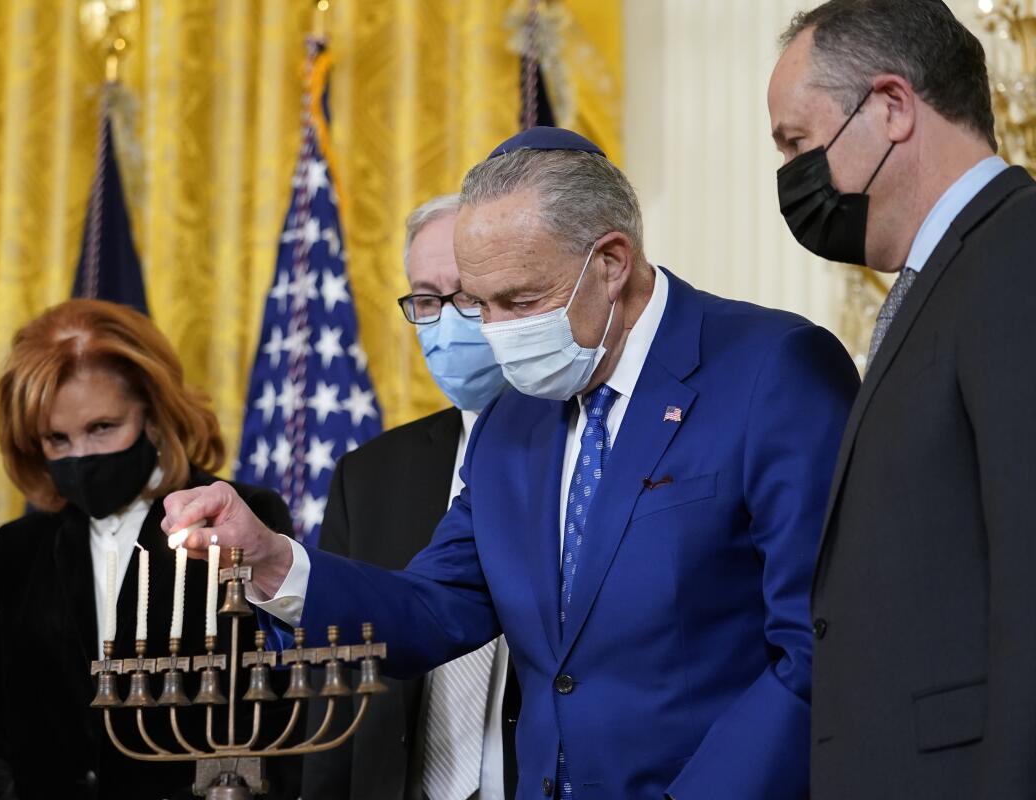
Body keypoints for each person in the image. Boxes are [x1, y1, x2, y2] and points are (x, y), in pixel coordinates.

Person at [163, 127, 860, 800]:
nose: (494, 333)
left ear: (611, 262)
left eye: (519, 301)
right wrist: (273, 561)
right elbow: (436, 609)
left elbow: (818, 649)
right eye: (476, 303)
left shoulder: (772, 369)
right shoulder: (513, 418)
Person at [768, 2, 1036, 797]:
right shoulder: (950, 273)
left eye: (796, 142)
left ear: (890, 108)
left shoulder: (1015, 255)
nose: (789, 175)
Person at [0, 299, 301, 800]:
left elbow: (281, 711)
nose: (81, 456)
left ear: (153, 416)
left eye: (101, 428)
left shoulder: (237, 520)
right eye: (57, 439)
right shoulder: (18, 550)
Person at [300, 194, 519, 800]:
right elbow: (334, 684)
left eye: (468, 297)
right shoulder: (368, 476)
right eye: (426, 300)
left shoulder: (587, 448)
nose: (446, 321)